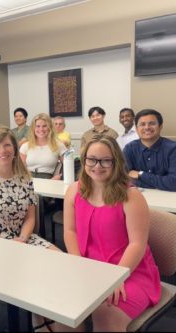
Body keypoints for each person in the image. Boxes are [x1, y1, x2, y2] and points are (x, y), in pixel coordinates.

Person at [0, 125, 60, 332]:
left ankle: (42, 315)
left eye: (7, 145)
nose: (3, 151)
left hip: (22, 238)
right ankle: (40, 319)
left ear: (15, 148)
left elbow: (30, 217)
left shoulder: (24, 177)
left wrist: (23, 239)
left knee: (59, 259)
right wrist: (5, 242)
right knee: (29, 271)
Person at [63, 135, 161, 332]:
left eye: (105, 160)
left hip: (128, 271)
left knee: (106, 313)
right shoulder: (74, 190)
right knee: (58, 305)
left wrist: (116, 278)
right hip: (88, 266)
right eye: (92, 159)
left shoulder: (131, 197)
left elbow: (137, 244)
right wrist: (77, 265)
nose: (97, 166)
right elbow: (70, 231)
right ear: (84, 160)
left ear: (116, 161)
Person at [123, 109, 176, 191]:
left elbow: (173, 183)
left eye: (152, 123)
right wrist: (158, 184)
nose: (147, 127)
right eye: (142, 124)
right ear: (137, 129)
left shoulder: (173, 149)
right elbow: (123, 178)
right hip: (138, 196)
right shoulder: (129, 148)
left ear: (160, 126)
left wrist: (141, 174)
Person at [20, 113, 66, 179]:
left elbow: (69, 166)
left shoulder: (58, 145)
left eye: (44, 126)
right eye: (38, 126)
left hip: (49, 181)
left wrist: (60, 176)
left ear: (50, 128)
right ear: (33, 128)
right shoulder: (25, 146)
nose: (41, 129)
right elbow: (19, 168)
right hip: (28, 180)